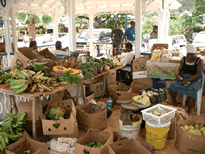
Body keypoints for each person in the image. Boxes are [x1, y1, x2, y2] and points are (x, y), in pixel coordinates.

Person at [168, 45, 203, 115]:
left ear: (194, 54)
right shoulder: (183, 59)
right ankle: (175, 104)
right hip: (184, 78)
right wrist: (178, 76)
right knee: (172, 86)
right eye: (188, 54)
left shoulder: (199, 61)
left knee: (191, 90)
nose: (189, 56)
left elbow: (199, 74)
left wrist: (188, 79)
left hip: (195, 79)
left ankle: (189, 111)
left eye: (191, 54)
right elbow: (180, 71)